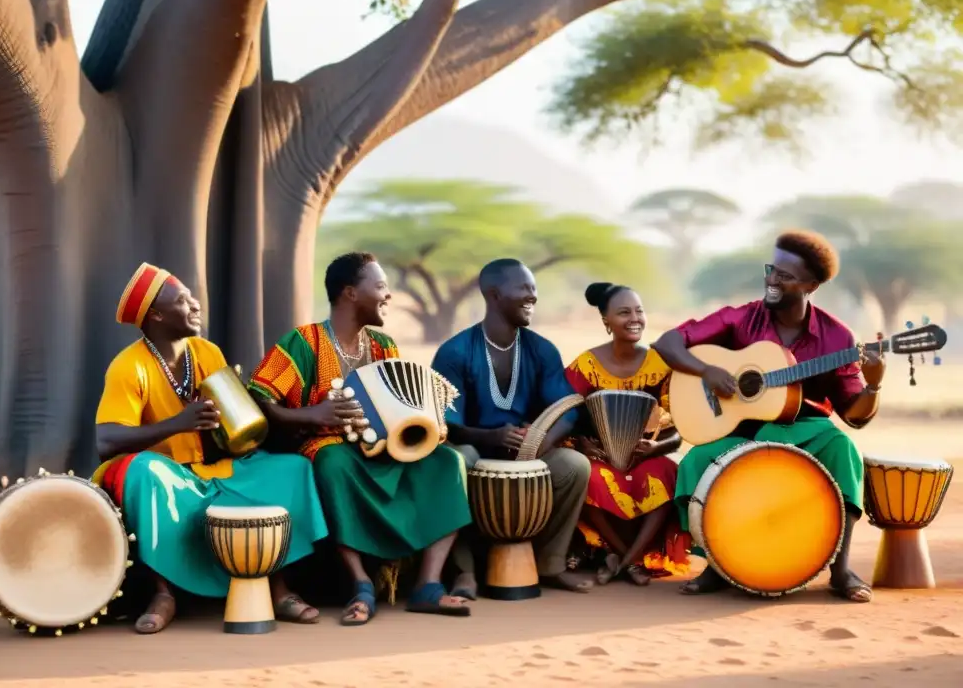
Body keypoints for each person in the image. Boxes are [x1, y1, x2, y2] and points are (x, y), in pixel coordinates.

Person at [93, 262, 329, 634]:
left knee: (290, 469)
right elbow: (106, 441)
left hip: (213, 470)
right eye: (183, 301)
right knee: (144, 471)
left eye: (192, 297)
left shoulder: (206, 352)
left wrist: (234, 422)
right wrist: (178, 424)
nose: (196, 305)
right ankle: (163, 594)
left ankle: (278, 585)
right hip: (168, 477)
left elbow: (231, 431)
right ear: (155, 314)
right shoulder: (128, 367)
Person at [653, 231, 884, 603]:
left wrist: (872, 388)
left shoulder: (838, 338)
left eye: (785, 276)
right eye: (771, 270)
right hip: (742, 430)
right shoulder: (741, 318)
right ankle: (717, 563)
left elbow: (855, 416)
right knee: (695, 461)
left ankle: (840, 569)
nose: (772, 280)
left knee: (844, 448)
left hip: (804, 428)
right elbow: (667, 343)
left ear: (811, 285)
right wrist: (707, 371)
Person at [247, 252, 473, 626]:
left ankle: (428, 585)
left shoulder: (384, 346)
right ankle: (361, 583)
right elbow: (257, 396)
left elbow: (401, 406)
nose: (388, 295)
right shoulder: (303, 342)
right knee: (333, 462)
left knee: (448, 462)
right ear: (351, 293)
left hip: (384, 450)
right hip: (328, 448)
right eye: (381, 286)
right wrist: (311, 414)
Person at [432, 259, 593, 599]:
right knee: (456, 460)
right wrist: (489, 437)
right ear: (493, 294)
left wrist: (539, 442)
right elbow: (447, 424)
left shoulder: (541, 349)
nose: (532, 296)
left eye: (534, 289)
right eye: (523, 288)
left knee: (574, 466)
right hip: (474, 450)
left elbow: (568, 409)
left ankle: (551, 563)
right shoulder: (455, 352)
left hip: (526, 453)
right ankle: (465, 571)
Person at [563, 282, 691, 586]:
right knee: (587, 477)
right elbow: (565, 414)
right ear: (606, 321)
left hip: (646, 455)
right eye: (623, 312)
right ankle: (628, 558)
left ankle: (624, 560)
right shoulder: (586, 365)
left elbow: (680, 430)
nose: (634, 318)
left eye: (639, 311)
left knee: (666, 473)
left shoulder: (660, 365)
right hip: (602, 457)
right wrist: (580, 444)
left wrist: (657, 448)